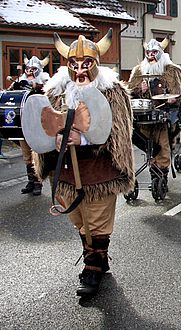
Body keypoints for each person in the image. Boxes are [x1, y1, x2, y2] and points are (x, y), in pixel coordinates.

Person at [34, 30, 136, 297]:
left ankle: (91, 269)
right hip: (67, 172)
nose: (79, 71)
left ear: (96, 64)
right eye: (74, 65)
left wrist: (85, 139)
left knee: (97, 222)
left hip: (99, 171)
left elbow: (118, 134)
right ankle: (98, 258)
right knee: (80, 222)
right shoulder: (56, 92)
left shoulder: (112, 93)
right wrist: (55, 140)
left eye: (86, 65)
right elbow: (46, 124)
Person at [127, 38, 181, 188]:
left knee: (162, 145)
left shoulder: (173, 71)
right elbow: (130, 94)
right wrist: (140, 91)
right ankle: (154, 174)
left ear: (161, 53)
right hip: (144, 116)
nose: (150, 56)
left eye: (154, 52)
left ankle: (161, 178)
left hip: (164, 115)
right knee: (149, 146)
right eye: (148, 53)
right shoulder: (138, 71)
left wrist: (173, 99)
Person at [12, 55, 51, 195]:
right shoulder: (20, 81)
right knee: (26, 156)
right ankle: (30, 181)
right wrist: (16, 87)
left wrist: (36, 88)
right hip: (23, 123)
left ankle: (38, 183)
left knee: (36, 155)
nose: (29, 71)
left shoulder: (46, 82)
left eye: (33, 69)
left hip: (38, 125)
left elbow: (49, 97)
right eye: (28, 68)